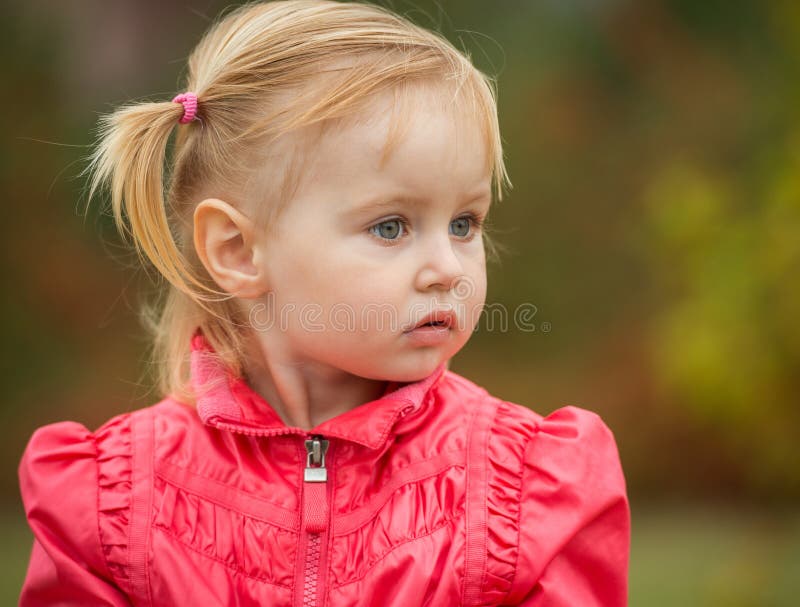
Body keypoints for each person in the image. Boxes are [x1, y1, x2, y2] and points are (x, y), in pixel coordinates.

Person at [17, 1, 630, 605]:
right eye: (391, 226)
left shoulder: (521, 490)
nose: (448, 267)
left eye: (465, 223)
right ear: (237, 250)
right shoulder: (115, 506)